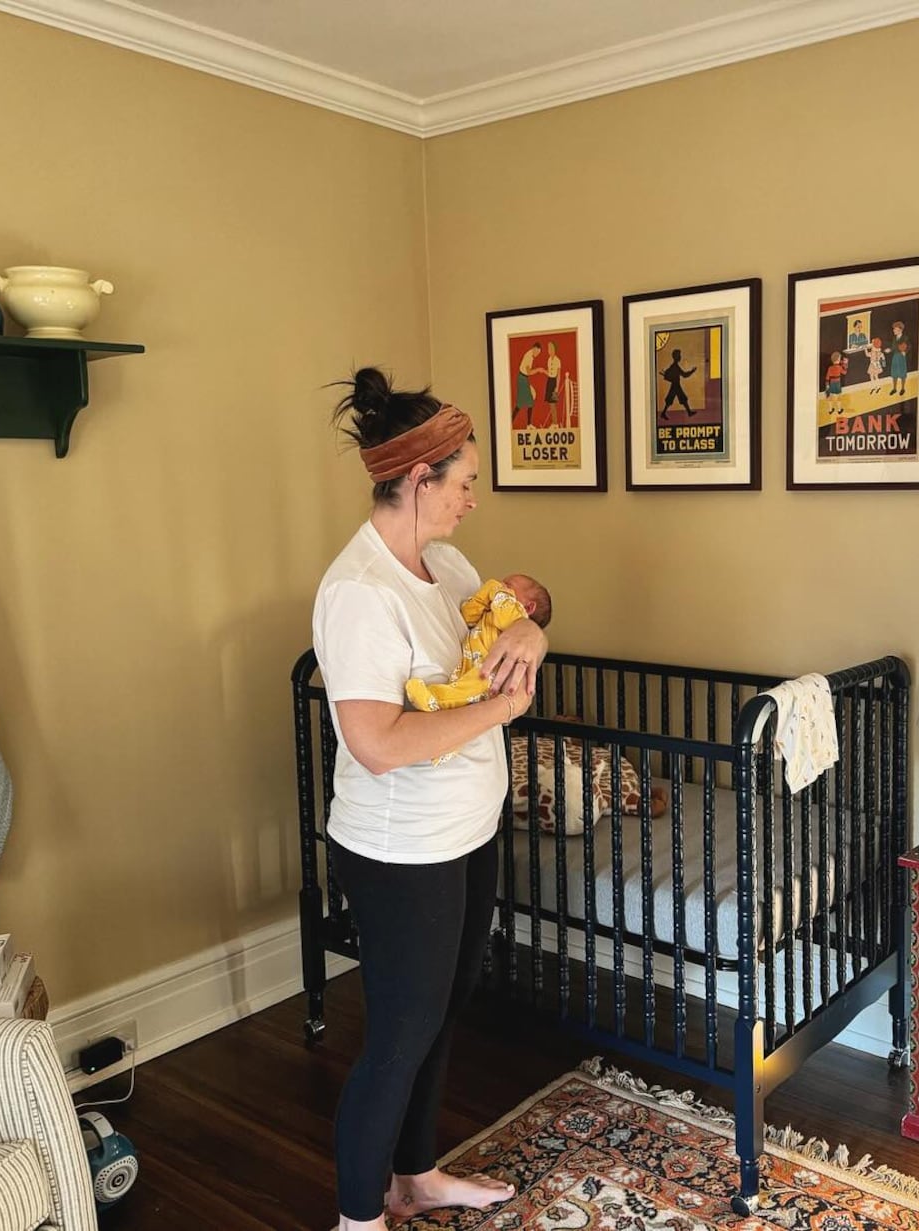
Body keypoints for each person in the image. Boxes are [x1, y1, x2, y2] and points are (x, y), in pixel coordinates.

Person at [314, 367, 547, 1231]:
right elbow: (374, 744)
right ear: (419, 480)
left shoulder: (445, 565)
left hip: (466, 829)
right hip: (398, 848)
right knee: (399, 1037)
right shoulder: (358, 593)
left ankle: (414, 1175)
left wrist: (534, 625)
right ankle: (358, 1216)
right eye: (465, 483)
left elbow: (499, 626)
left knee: (445, 1014)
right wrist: (499, 707)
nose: (472, 501)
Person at [406, 573, 553, 744]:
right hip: (471, 658)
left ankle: (436, 700)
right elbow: (467, 615)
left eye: (508, 585)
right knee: (461, 684)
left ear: (528, 607)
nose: (499, 585)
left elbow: (502, 608)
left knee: (467, 689)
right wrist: (483, 599)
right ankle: (449, 742)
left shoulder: (516, 616)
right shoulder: (492, 612)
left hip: (490, 670)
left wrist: (494, 589)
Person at [659, 348, 696, 418]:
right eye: (679, 355)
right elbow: (684, 375)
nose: (680, 357)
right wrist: (692, 371)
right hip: (676, 385)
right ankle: (689, 412)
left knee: (677, 399)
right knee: (680, 399)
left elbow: (667, 373)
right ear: (676, 357)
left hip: (675, 385)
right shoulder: (675, 366)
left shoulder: (674, 366)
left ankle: (689, 412)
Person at [541, 341, 564, 427]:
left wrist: (557, 387)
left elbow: (558, 375)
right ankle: (554, 423)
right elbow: (549, 373)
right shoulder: (549, 359)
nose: (549, 350)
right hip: (549, 381)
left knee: (553, 403)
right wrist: (544, 371)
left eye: (551, 348)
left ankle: (555, 423)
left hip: (554, 382)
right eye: (548, 348)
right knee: (550, 403)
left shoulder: (558, 360)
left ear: (554, 349)